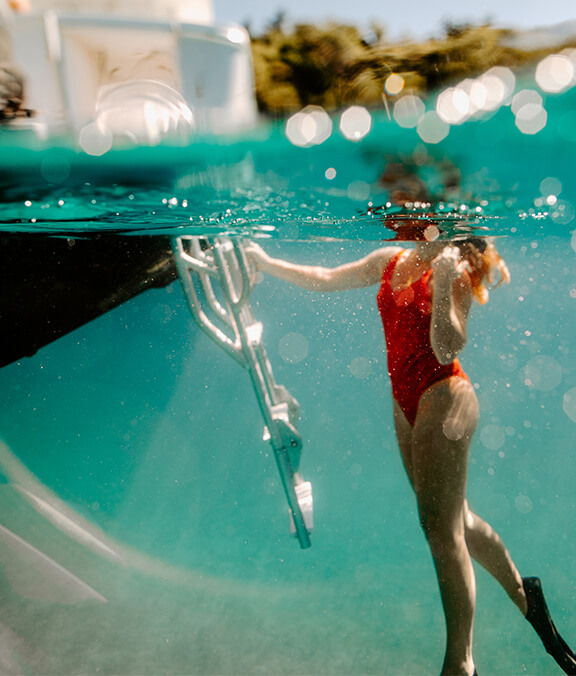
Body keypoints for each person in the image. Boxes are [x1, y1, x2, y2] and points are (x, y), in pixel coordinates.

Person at [246, 232, 576, 676]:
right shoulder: (389, 259)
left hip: (445, 393)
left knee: (439, 531)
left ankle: (461, 664)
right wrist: (266, 263)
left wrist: (441, 281)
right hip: (407, 403)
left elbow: (447, 346)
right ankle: (526, 597)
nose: (394, 218)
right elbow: (325, 277)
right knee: (454, 519)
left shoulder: (454, 268)